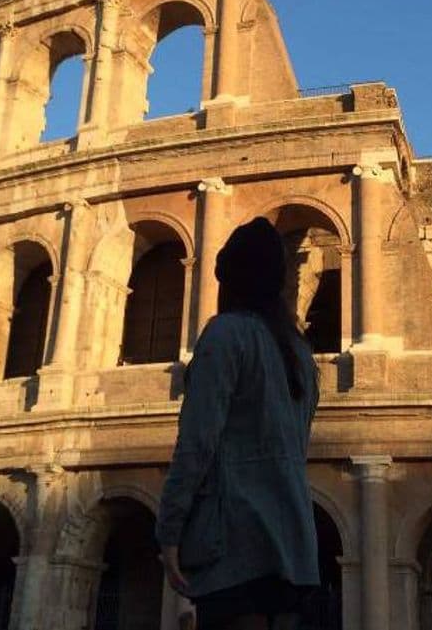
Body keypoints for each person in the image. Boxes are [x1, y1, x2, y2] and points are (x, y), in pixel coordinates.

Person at [156, 217, 321, 630]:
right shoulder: (300, 355)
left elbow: (196, 445)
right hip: (293, 551)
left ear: (228, 281)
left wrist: (170, 529)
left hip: (234, 546)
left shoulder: (225, 335)